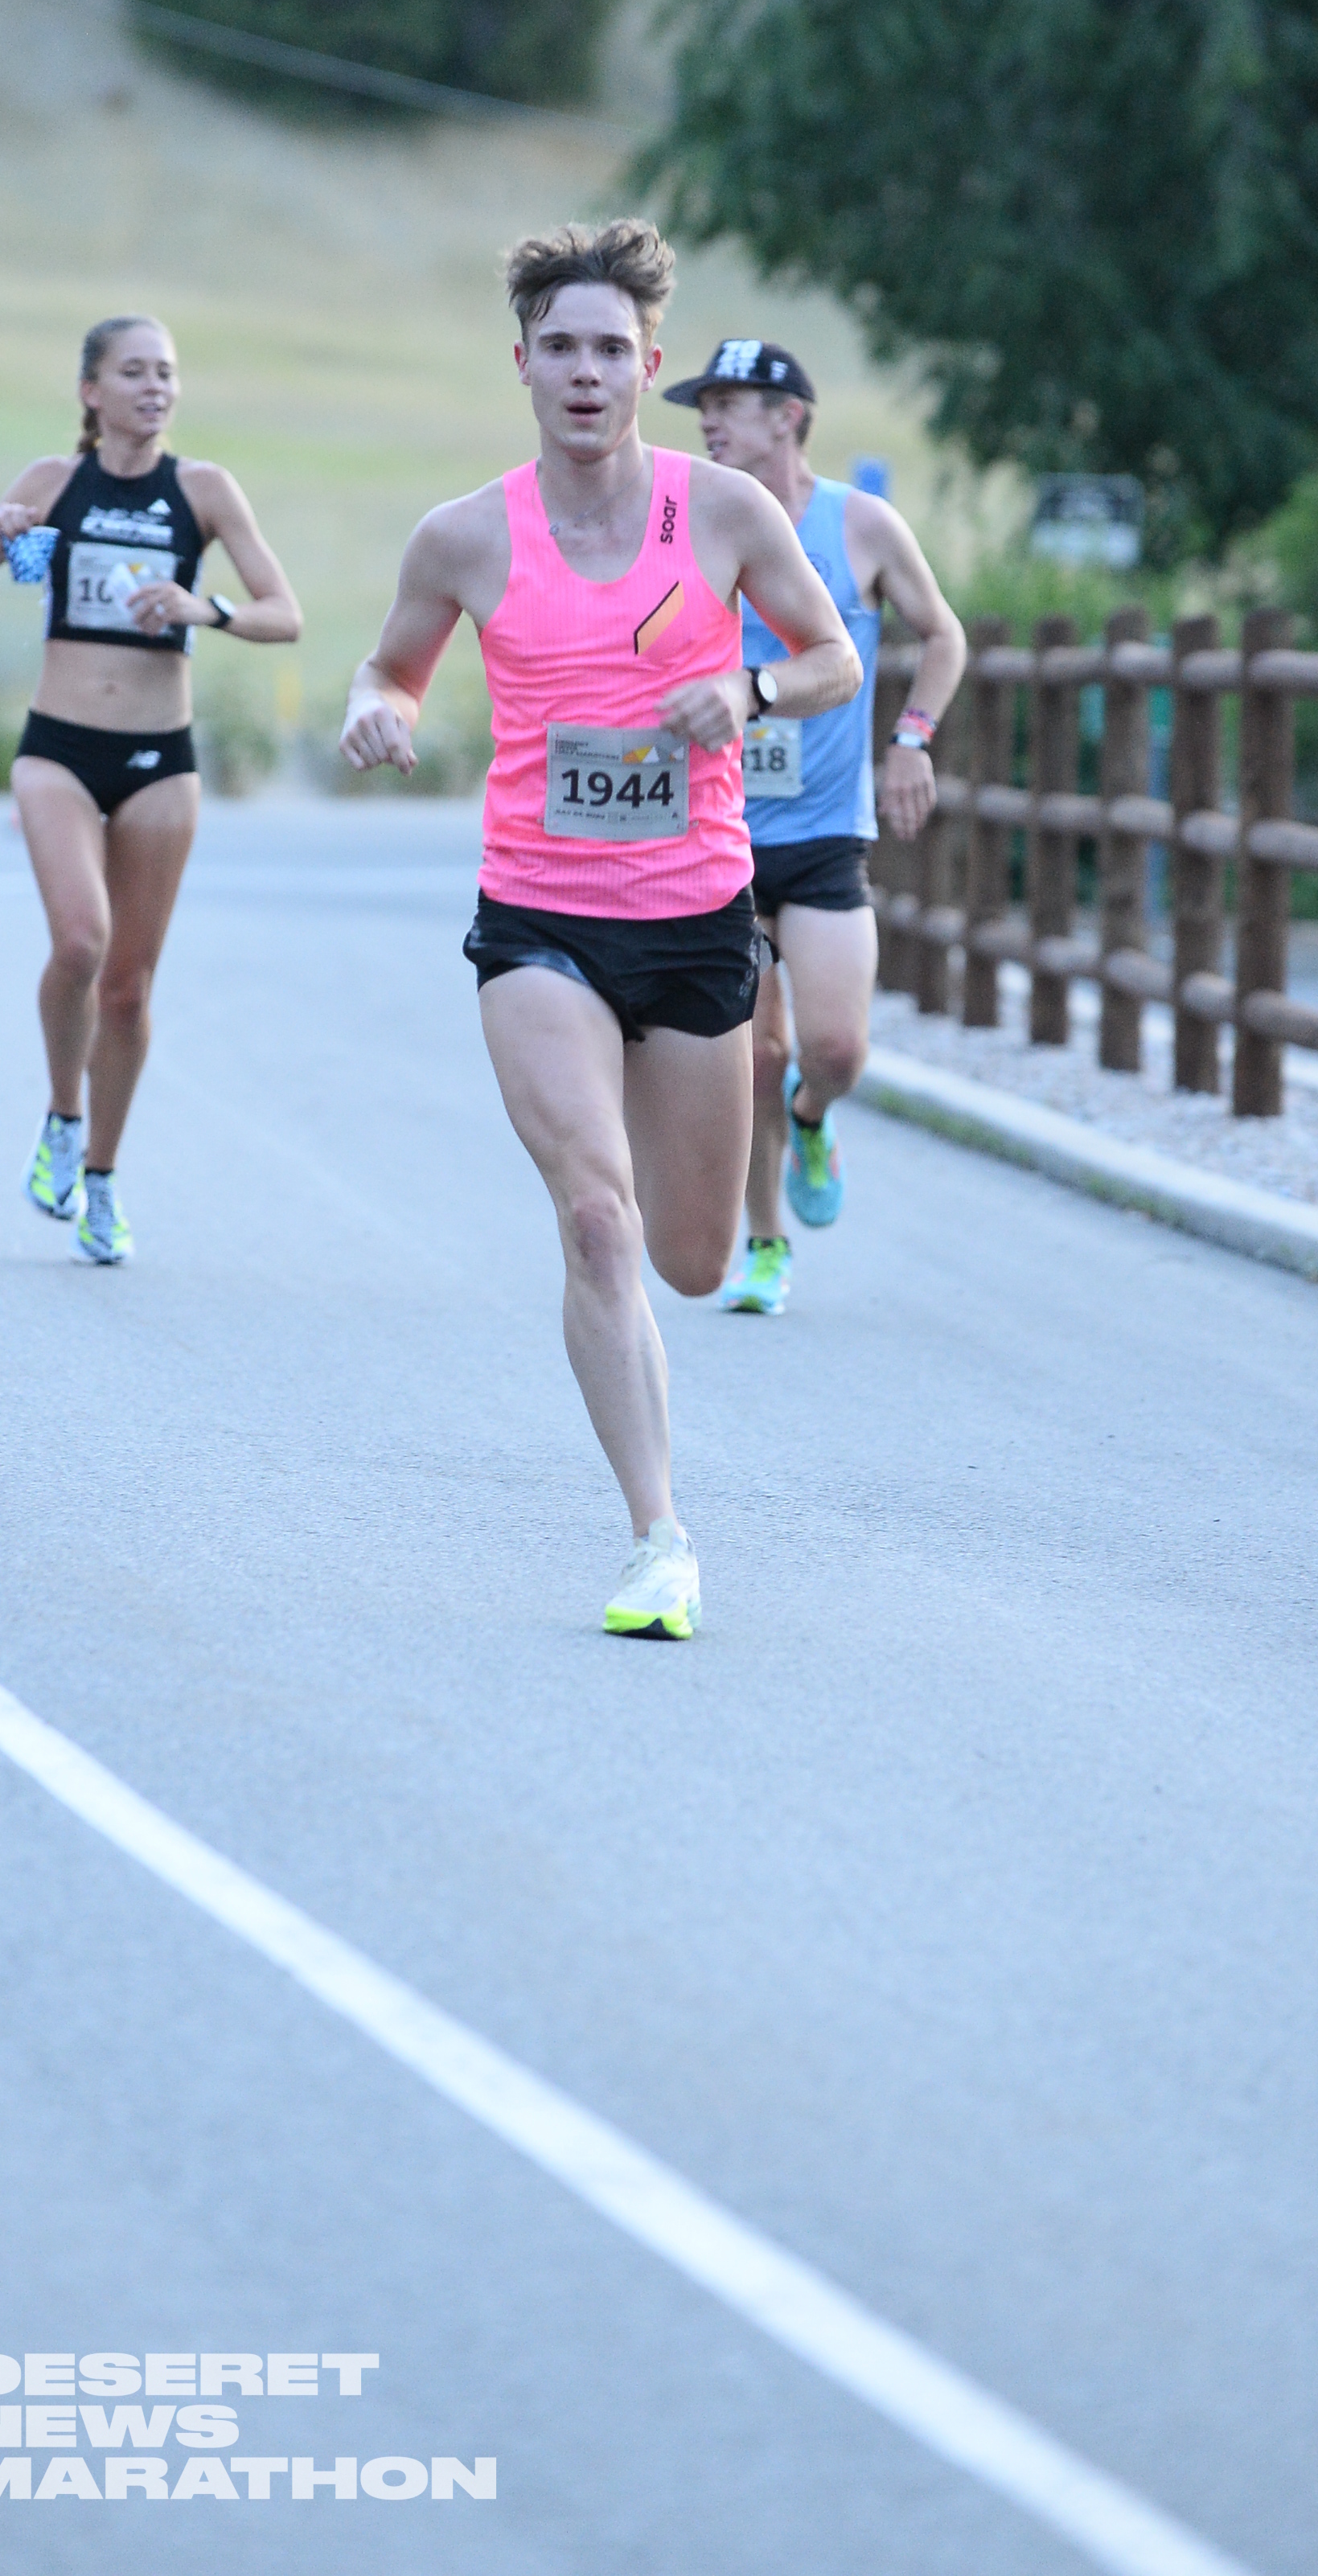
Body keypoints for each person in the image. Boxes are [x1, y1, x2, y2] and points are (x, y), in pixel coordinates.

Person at [342, 223, 860, 1638]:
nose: (585, 372)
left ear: (646, 368)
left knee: (692, 1258)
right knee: (593, 1218)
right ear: (520, 364)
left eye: (611, 351)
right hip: (538, 918)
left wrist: (748, 694)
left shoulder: (726, 513)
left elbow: (832, 657)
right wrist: (378, 709)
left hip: (694, 917)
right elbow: (390, 667)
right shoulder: (464, 535)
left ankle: (726, 1177)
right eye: (560, 348)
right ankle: (658, 1538)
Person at [0, 314, 300, 1261]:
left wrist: (203, 609)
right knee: (80, 941)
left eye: (166, 372)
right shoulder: (54, 481)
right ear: (91, 391)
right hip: (57, 747)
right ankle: (61, 1117)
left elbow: (283, 613)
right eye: (133, 372)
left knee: (128, 990)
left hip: (158, 760)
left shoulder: (203, 490)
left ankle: (100, 1177)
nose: (155, 387)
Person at [665, 339, 965, 1315]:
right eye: (702, 406)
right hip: (720, 835)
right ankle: (764, 1245)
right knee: (753, 1052)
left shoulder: (859, 525)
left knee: (833, 1053)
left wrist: (911, 739)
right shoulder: (693, 522)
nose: (708, 422)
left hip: (828, 833)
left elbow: (942, 634)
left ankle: (810, 1117)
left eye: (728, 403)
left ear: (788, 416)